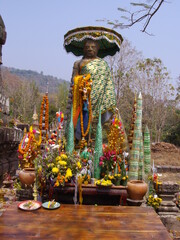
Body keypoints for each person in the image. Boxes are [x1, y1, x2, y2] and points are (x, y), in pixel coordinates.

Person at [66, 39, 117, 144]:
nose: (90, 49)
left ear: (97, 49)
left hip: (99, 99)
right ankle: (78, 143)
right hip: (82, 97)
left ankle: (96, 144)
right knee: (80, 122)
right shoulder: (78, 63)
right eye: (87, 47)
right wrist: (81, 82)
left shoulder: (102, 64)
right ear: (83, 48)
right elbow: (73, 80)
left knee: (97, 123)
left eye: (93, 47)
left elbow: (107, 84)